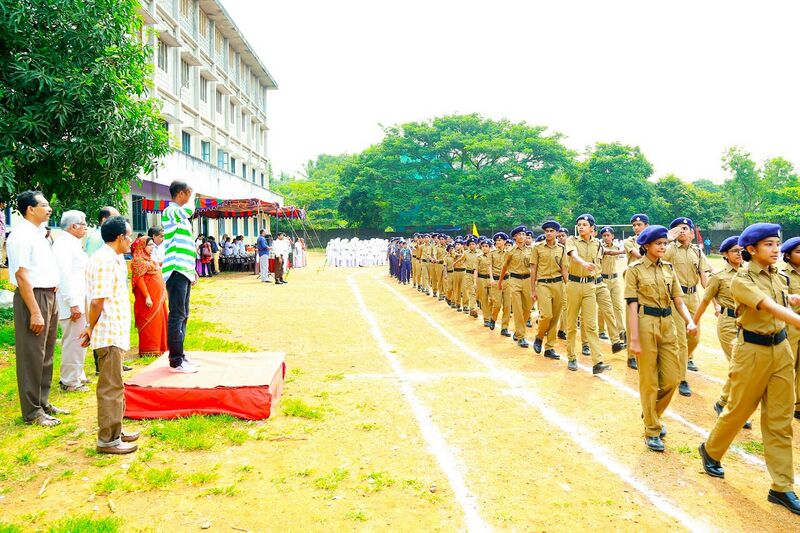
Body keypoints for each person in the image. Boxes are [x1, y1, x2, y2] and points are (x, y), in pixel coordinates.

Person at [699, 223, 800, 516]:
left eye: (776, 243)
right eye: (768, 244)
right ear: (751, 250)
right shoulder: (741, 280)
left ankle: (781, 487)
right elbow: (768, 306)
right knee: (738, 410)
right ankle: (711, 450)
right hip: (751, 352)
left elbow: (786, 301)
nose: (775, 249)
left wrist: (794, 304)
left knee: (780, 420)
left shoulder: (777, 276)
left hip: (780, 349)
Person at [626, 225, 698, 452]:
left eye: (665, 244)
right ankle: (652, 429)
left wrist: (689, 321)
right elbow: (631, 304)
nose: (663, 247)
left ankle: (651, 412)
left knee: (673, 378)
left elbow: (678, 299)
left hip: (668, 324)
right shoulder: (634, 269)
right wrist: (634, 337)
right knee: (649, 380)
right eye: (659, 244)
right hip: (645, 323)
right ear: (646, 246)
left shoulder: (669, 268)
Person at [79, 216, 140, 454]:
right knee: (110, 387)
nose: (131, 240)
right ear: (119, 237)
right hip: (108, 332)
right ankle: (108, 439)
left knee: (117, 384)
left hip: (115, 330)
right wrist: (90, 328)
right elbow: (97, 302)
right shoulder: (104, 260)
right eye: (129, 235)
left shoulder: (114, 258)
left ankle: (116, 429)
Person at [7, 191, 65, 426]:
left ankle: (43, 402)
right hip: (33, 297)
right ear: (30, 209)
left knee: (46, 353)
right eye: (44, 205)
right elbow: (22, 275)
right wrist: (35, 311)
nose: (49, 208)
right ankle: (32, 412)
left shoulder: (39, 234)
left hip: (49, 295)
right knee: (32, 355)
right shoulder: (21, 236)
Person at [693, 236, 751, 429]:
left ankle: (722, 402)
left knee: (742, 367)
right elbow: (705, 301)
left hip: (747, 323)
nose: (739, 254)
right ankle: (733, 408)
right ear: (725, 254)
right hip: (728, 324)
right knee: (739, 365)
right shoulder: (718, 277)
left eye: (741, 250)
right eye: (735, 250)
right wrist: (693, 323)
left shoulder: (749, 273)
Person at [665, 217, 711, 397]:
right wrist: (668, 238)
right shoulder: (668, 249)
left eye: (685, 228)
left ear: (692, 233)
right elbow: (655, 257)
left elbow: (704, 278)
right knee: (682, 340)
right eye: (677, 229)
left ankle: (679, 360)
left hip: (693, 298)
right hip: (676, 298)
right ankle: (682, 378)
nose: (681, 231)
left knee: (695, 337)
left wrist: (715, 301)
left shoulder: (697, 252)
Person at [562, 214, 611, 374]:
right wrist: (583, 263)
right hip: (574, 285)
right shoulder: (572, 241)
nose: (580, 227)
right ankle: (571, 357)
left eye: (584, 224)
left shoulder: (597, 244)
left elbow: (598, 264)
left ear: (591, 228)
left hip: (590, 286)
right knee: (571, 324)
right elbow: (573, 255)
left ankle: (598, 362)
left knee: (591, 325)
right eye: (579, 224)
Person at [162, 180, 199, 373]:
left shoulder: (181, 217)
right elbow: (188, 211)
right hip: (175, 269)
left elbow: (187, 246)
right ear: (182, 194)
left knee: (184, 314)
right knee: (177, 315)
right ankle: (175, 361)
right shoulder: (171, 211)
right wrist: (194, 198)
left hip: (184, 269)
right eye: (189, 194)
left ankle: (181, 356)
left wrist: (192, 269)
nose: (191, 199)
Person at [53, 210, 90, 392]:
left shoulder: (73, 243)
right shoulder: (62, 244)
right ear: (73, 226)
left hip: (79, 299)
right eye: (83, 224)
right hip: (71, 301)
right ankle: (69, 381)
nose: (85, 227)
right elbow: (64, 276)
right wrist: (73, 303)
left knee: (80, 340)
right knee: (73, 341)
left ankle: (78, 374)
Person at [530, 221, 564, 360]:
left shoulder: (561, 248)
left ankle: (550, 347)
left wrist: (567, 287)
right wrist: (533, 290)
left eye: (552, 231)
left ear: (556, 233)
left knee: (555, 317)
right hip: (543, 284)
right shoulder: (537, 248)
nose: (549, 233)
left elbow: (564, 269)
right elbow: (533, 269)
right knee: (546, 315)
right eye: (546, 231)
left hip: (558, 284)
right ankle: (539, 336)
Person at [131, 237, 169, 358]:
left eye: (153, 245)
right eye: (149, 245)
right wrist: (147, 296)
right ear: (142, 246)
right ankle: (149, 349)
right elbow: (139, 280)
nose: (152, 247)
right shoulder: (138, 260)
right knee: (150, 322)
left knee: (160, 321)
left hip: (158, 297)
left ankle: (160, 347)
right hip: (148, 298)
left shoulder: (150, 259)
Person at [498, 226, 533, 348]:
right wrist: (500, 282)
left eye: (523, 234)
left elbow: (534, 267)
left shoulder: (531, 250)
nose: (522, 236)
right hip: (515, 280)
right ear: (514, 237)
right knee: (517, 309)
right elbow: (504, 267)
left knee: (528, 308)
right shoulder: (510, 251)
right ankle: (521, 337)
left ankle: (518, 332)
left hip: (528, 280)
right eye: (519, 234)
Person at [780, 236, 800, 421]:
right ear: (787, 255)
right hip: (790, 326)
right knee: (788, 366)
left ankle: (799, 406)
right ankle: (782, 405)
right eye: (798, 252)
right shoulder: (781, 274)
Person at [489, 232, 511, 335]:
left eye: (500, 240)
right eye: (497, 240)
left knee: (507, 306)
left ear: (504, 241)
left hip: (507, 281)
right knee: (497, 304)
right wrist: (491, 278)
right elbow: (490, 266)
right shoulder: (492, 253)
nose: (498, 242)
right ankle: (493, 318)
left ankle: (504, 328)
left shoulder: (509, 252)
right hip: (496, 281)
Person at [0, 199, 6, 267]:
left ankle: (1, 261)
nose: (5, 205)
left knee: (1, 247)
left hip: (2, 233)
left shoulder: (2, 211)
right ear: (1, 203)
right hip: (0, 232)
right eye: (4, 203)